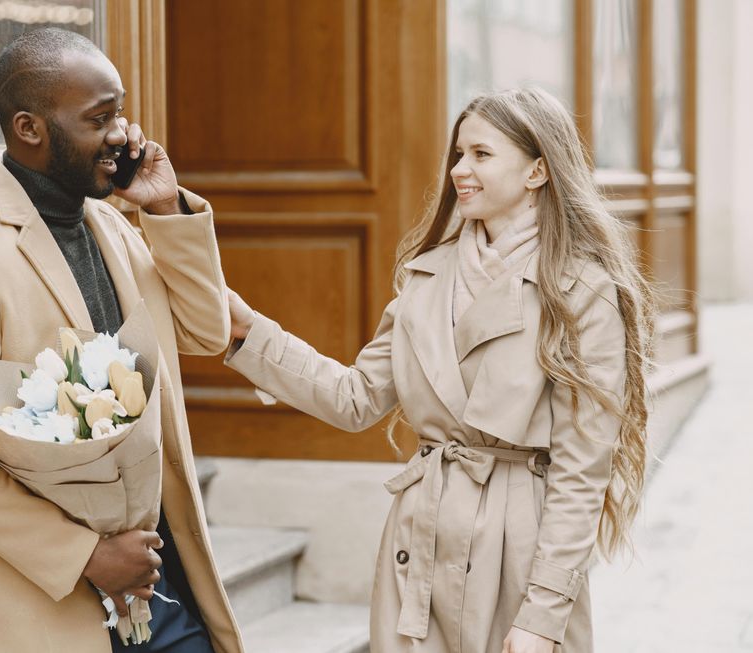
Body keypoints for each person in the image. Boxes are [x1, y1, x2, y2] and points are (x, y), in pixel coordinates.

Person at [226, 88, 654, 653]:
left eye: (481, 154)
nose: (459, 170)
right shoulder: (426, 276)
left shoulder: (581, 290)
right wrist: (249, 334)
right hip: (419, 541)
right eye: (457, 154)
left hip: (517, 553)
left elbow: (581, 471)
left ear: (537, 171)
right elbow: (355, 398)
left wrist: (543, 617)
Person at [0, 28, 242, 653]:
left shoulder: (115, 224)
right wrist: (85, 555)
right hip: (45, 604)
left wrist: (165, 209)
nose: (122, 134)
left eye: (120, 113)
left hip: (164, 588)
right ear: (30, 129)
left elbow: (205, 331)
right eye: (100, 118)